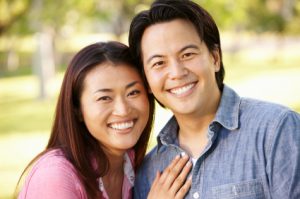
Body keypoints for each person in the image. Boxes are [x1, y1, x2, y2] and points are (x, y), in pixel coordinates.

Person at [128, 0, 300, 198]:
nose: (176, 72)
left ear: (215, 58)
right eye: (159, 63)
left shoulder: (277, 130)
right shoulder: (148, 173)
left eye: (187, 54)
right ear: (147, 82)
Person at [16, 41, 192, 199]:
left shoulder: (136, 167)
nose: (123, 110)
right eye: (104, 98)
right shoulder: (55, 176)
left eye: (133, 93)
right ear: (77, 110)